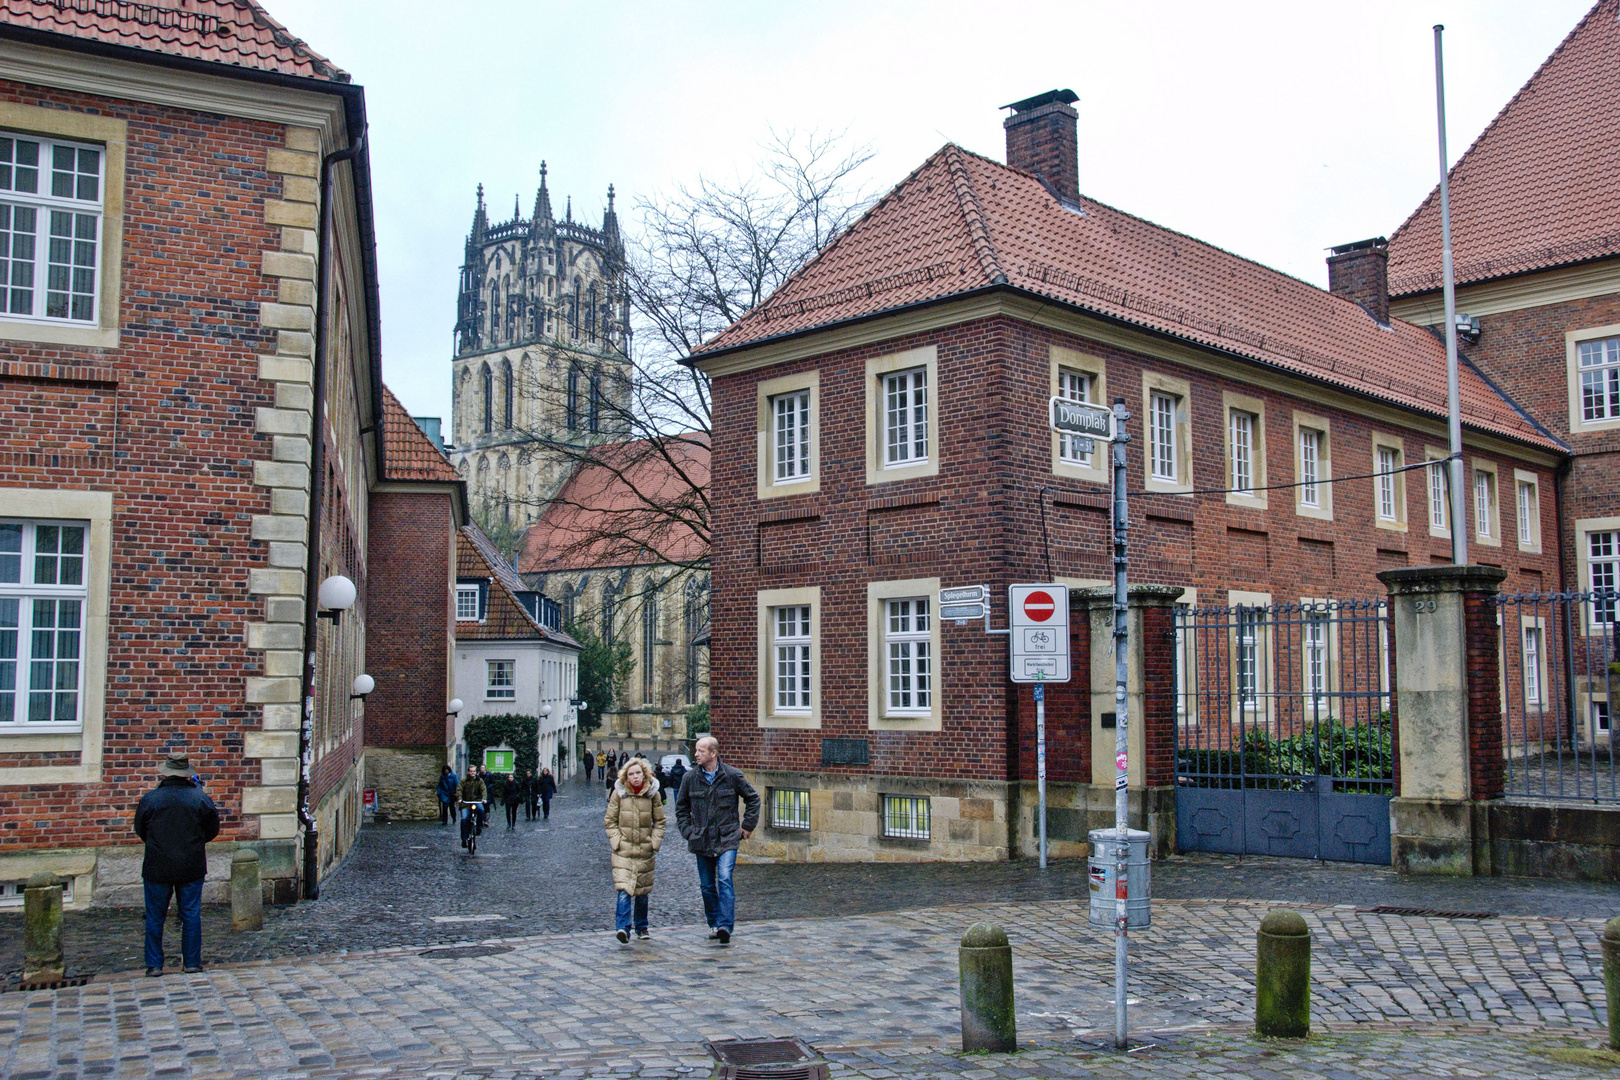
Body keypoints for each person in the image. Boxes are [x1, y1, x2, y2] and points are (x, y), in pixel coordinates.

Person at [133, 754, 221, 976]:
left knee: (155, 916)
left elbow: (140, 830)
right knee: (191, 914)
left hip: (157, 864)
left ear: (166, 772)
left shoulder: (151, 799)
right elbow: (212, 830)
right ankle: (191, 962)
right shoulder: (199, 799)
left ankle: (154, 964)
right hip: (191, 864)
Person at [675, 736, 759, 945]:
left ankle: (725, 926)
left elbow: (753, 798)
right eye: (696, 750)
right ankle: (713, 923)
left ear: (713, 753)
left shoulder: (732, 776)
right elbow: (681, 808)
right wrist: (688, 831)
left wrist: (747, 825)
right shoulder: (690, 778)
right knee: (707, 886)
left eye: (701, 751)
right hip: (701, 839)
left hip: (727, 838)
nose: (696, 754)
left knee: (724, 878)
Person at [604, 757, 665, 943]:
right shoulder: (619, 794)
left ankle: (641, 926)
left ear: (644, 774)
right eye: (631, 774)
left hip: (645, 849)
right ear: (626, 777)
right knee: (624, 889)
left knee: (642, 892)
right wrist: (617, 842)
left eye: (638, 773)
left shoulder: (653, 794)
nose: (635, 777)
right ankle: (622, 928)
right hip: (623, 850)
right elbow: (610, 821)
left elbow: (660, 821)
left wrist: (654, 843)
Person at [457, 765, 487, 849]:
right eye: (471, 771)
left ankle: (479, 827)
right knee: (464, 819)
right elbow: (459, 790)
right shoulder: (463, 781)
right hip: (466, 803)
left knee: (481, 810)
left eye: (474, 771)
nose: (472, 773)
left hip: (476, 802)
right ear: (468, 772)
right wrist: (459, 798)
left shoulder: (479, 781)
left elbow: (483, 789)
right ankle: (464, 838)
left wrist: (484, 798)